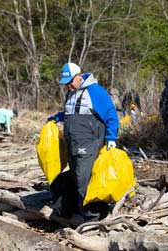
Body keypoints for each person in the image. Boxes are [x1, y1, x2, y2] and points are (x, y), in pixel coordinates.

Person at [48, 62, 120, 221]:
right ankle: (76, 211)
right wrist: (57, 117)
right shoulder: (71, 93)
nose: (67, 85)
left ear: (79, 76)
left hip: (89, 145)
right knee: (74, 177)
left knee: (83, 181)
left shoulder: (96, 92)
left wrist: (111, 138)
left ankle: (91, 218)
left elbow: (111, 115)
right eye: (65, 82)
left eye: (69, 81)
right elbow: (70, 113)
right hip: (73, 145)